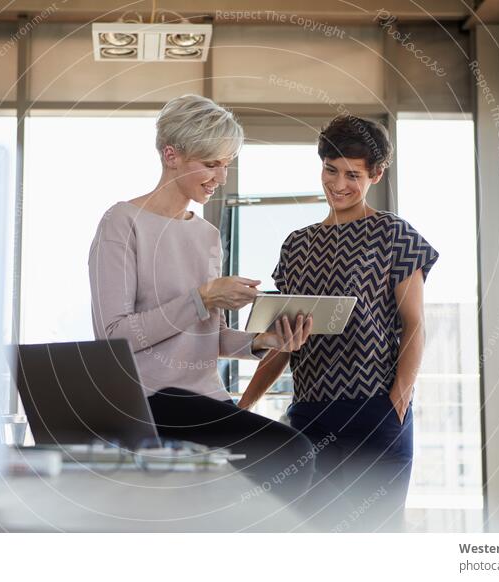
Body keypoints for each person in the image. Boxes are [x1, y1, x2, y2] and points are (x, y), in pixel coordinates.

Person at [88, 94, 315, 506]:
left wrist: (262, 343)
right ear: (171, 155)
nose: (221, 177)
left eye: (227, 164)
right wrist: (203, 297)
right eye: (211, 164)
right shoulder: (121, 222)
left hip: (206, 398)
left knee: (265, 478)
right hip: (150, 399)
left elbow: (207, 334)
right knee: (291, 453)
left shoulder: (206, 235)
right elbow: (114, 336)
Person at [239, 114, 439, 531]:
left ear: (377, 174)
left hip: (375, 411)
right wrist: (242, 407)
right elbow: (283, 341)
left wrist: (398, 402)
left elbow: (414, 324)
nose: (338, 184)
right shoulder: (296, 244)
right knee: (314, 540)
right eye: (331, 170)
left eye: (353, 174)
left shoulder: (394, 235)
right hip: (309, 414)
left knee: (375, 542)